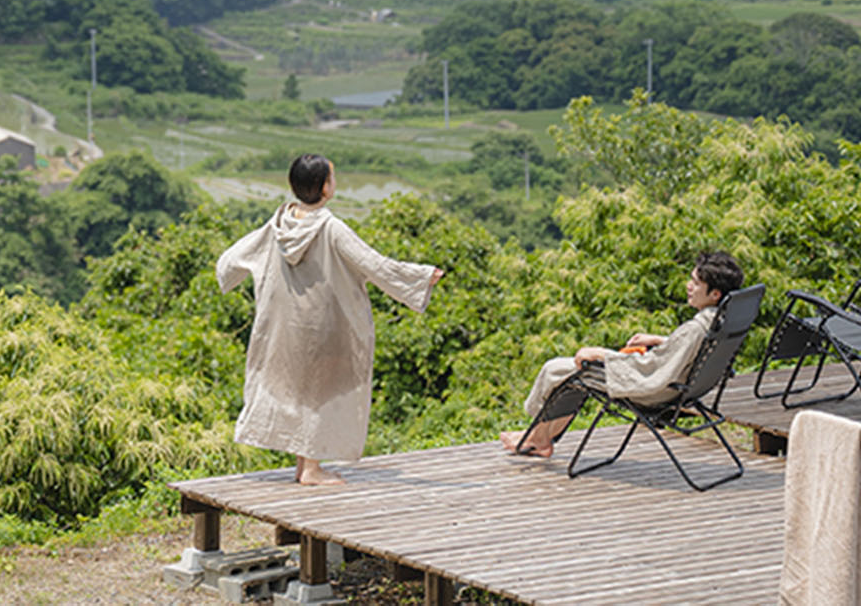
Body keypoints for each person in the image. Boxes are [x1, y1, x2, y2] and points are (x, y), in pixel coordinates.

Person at [217, 154, 443, 485]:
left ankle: (304, 465)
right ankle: (311, 469)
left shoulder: (279, 223)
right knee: (319, 393)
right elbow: (372, 264)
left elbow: (233, 258)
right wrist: (421, 277)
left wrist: (227, 275)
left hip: (285, 328)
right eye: (332, 178)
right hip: (323, 327)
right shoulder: (330, 227)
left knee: (300, 392)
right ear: (324, 187)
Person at [500, 249, 745, 459]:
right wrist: (661, 340)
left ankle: (536, 437)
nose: (689, 287)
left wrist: (602, 354)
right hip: (684, 387)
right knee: (571, 376)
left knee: (557, 369)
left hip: (657, 390)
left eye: (696, 283)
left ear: (715, 294)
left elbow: (650, 367)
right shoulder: (721, 320)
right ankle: (538, 436)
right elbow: (688, 350)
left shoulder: (693, 329)